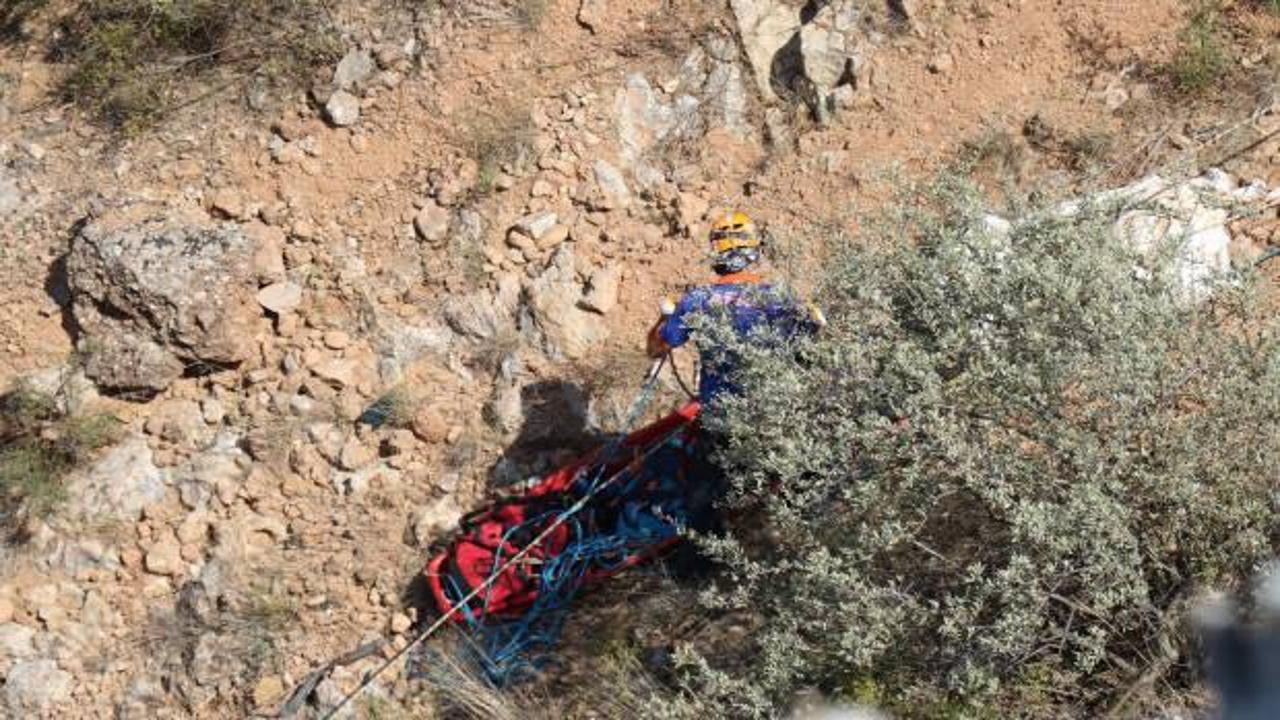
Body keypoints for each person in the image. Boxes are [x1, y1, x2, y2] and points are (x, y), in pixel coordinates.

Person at [646, 210, 825, 407]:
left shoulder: (697, 300)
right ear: (754, 251)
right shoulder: (782, 297)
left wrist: (665, 317)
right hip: (774, 416)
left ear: (715, 253)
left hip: (719, 416)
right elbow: (809, 353)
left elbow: (656, 349)